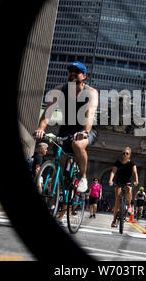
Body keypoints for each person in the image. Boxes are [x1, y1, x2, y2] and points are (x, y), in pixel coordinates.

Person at [34, 61, 99, 194]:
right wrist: (41, 128)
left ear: (84, 76)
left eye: (77, 71)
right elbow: (47, 114)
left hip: (87, 129)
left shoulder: (91, 92)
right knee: (60, 163)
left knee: (77, 145)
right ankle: (53, 200)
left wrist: (84, 131)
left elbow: (90, 114)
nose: (73, 73)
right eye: (71, 71)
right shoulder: (59, 90)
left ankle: (83, 177)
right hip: (66, 129)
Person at [109, 147, 139, 228]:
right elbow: (113, 172)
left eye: (127, 153)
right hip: (119, 182)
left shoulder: (132, 163)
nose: (125, 155)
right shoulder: (118, 162)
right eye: (124, 153)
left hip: (127, 182)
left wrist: (136, 180)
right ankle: (114, 221)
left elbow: (135, 172)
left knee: (129, 189)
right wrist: (111, 180)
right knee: (117, 202)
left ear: (129, 155)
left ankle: (129, 205)